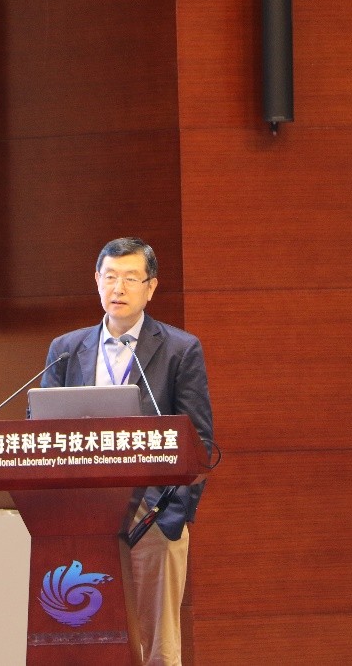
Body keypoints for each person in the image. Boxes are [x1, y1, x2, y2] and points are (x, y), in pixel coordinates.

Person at [41, 237, 214, 666]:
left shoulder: (179, 349)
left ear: (151, 287)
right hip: (83, 515)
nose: (118, 288)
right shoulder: (65, 350)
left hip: (153, 513)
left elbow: (200, 440)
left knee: (158, 649)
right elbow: (42, 431)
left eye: (131, 278)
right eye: (110, 277)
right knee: (91, 639)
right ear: (97, 281)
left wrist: (174, 512)